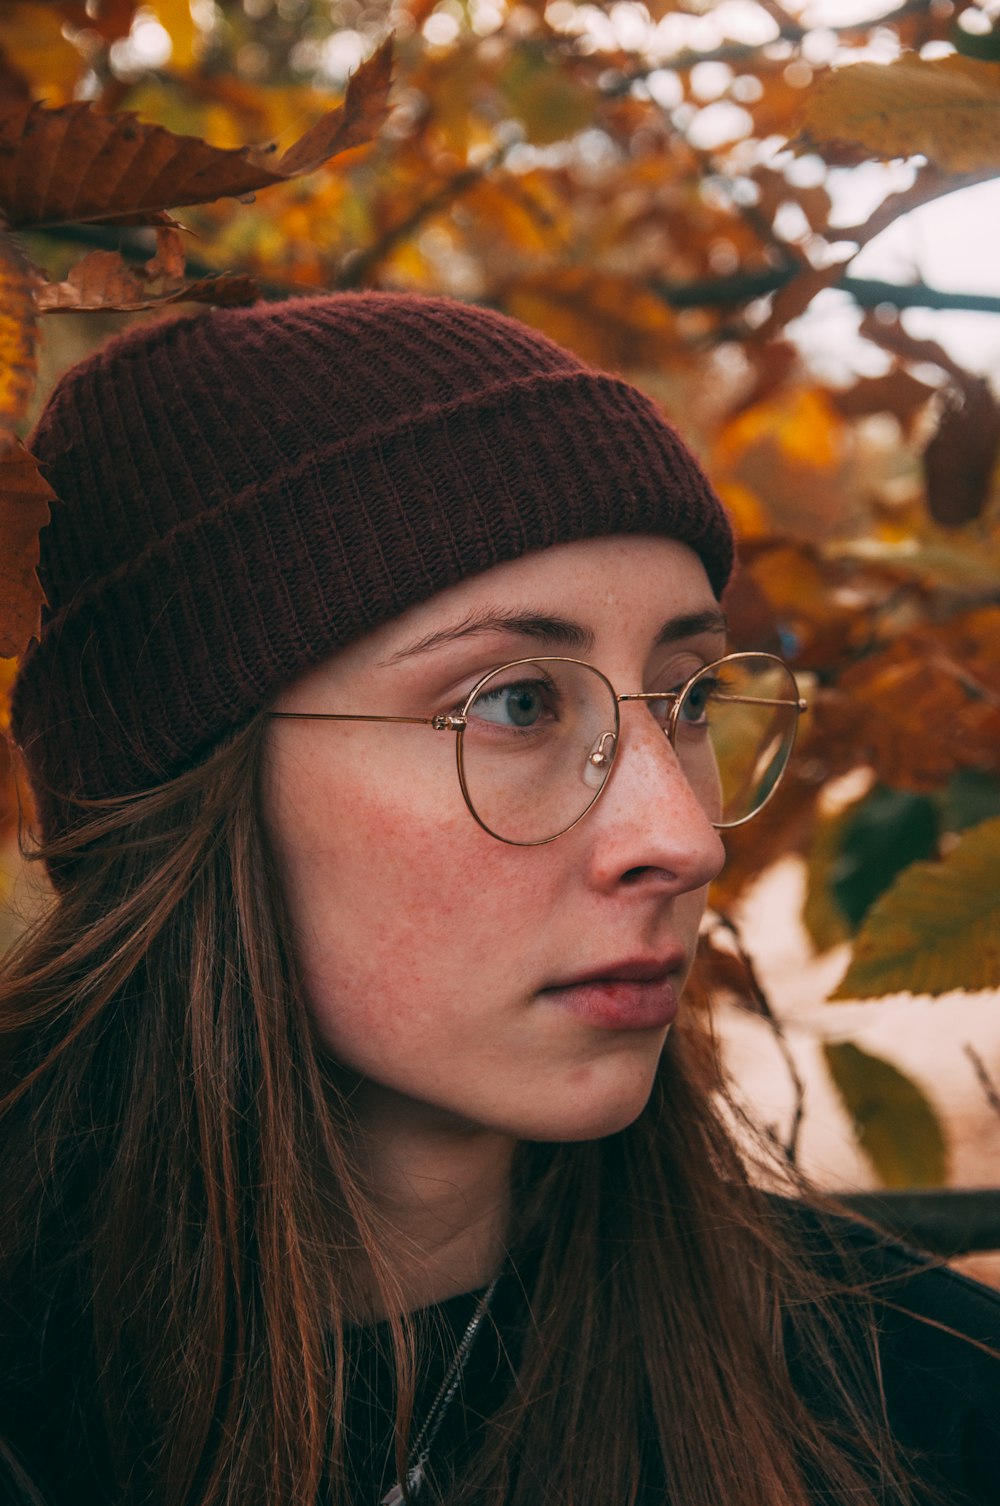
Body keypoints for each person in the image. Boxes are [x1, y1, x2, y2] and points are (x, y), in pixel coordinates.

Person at [0, 292, 997, 1506]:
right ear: (181, 792)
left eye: (685, 702)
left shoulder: (926, 1408)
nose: (681, 839)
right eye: (516, 704)